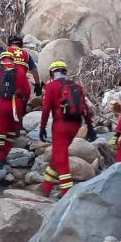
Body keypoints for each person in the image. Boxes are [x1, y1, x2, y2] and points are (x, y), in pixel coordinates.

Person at [39, 61, 96, 197]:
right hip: (75, 125)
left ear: (52, 73)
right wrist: (90, 127)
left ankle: (67, 193)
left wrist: (42, 128)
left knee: (62, 157)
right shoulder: (76, 86)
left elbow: (46, 109)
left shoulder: (51, 87)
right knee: (59, 155)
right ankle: (45, 187)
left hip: (60, 125)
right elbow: (85, 109)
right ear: (65, 72)